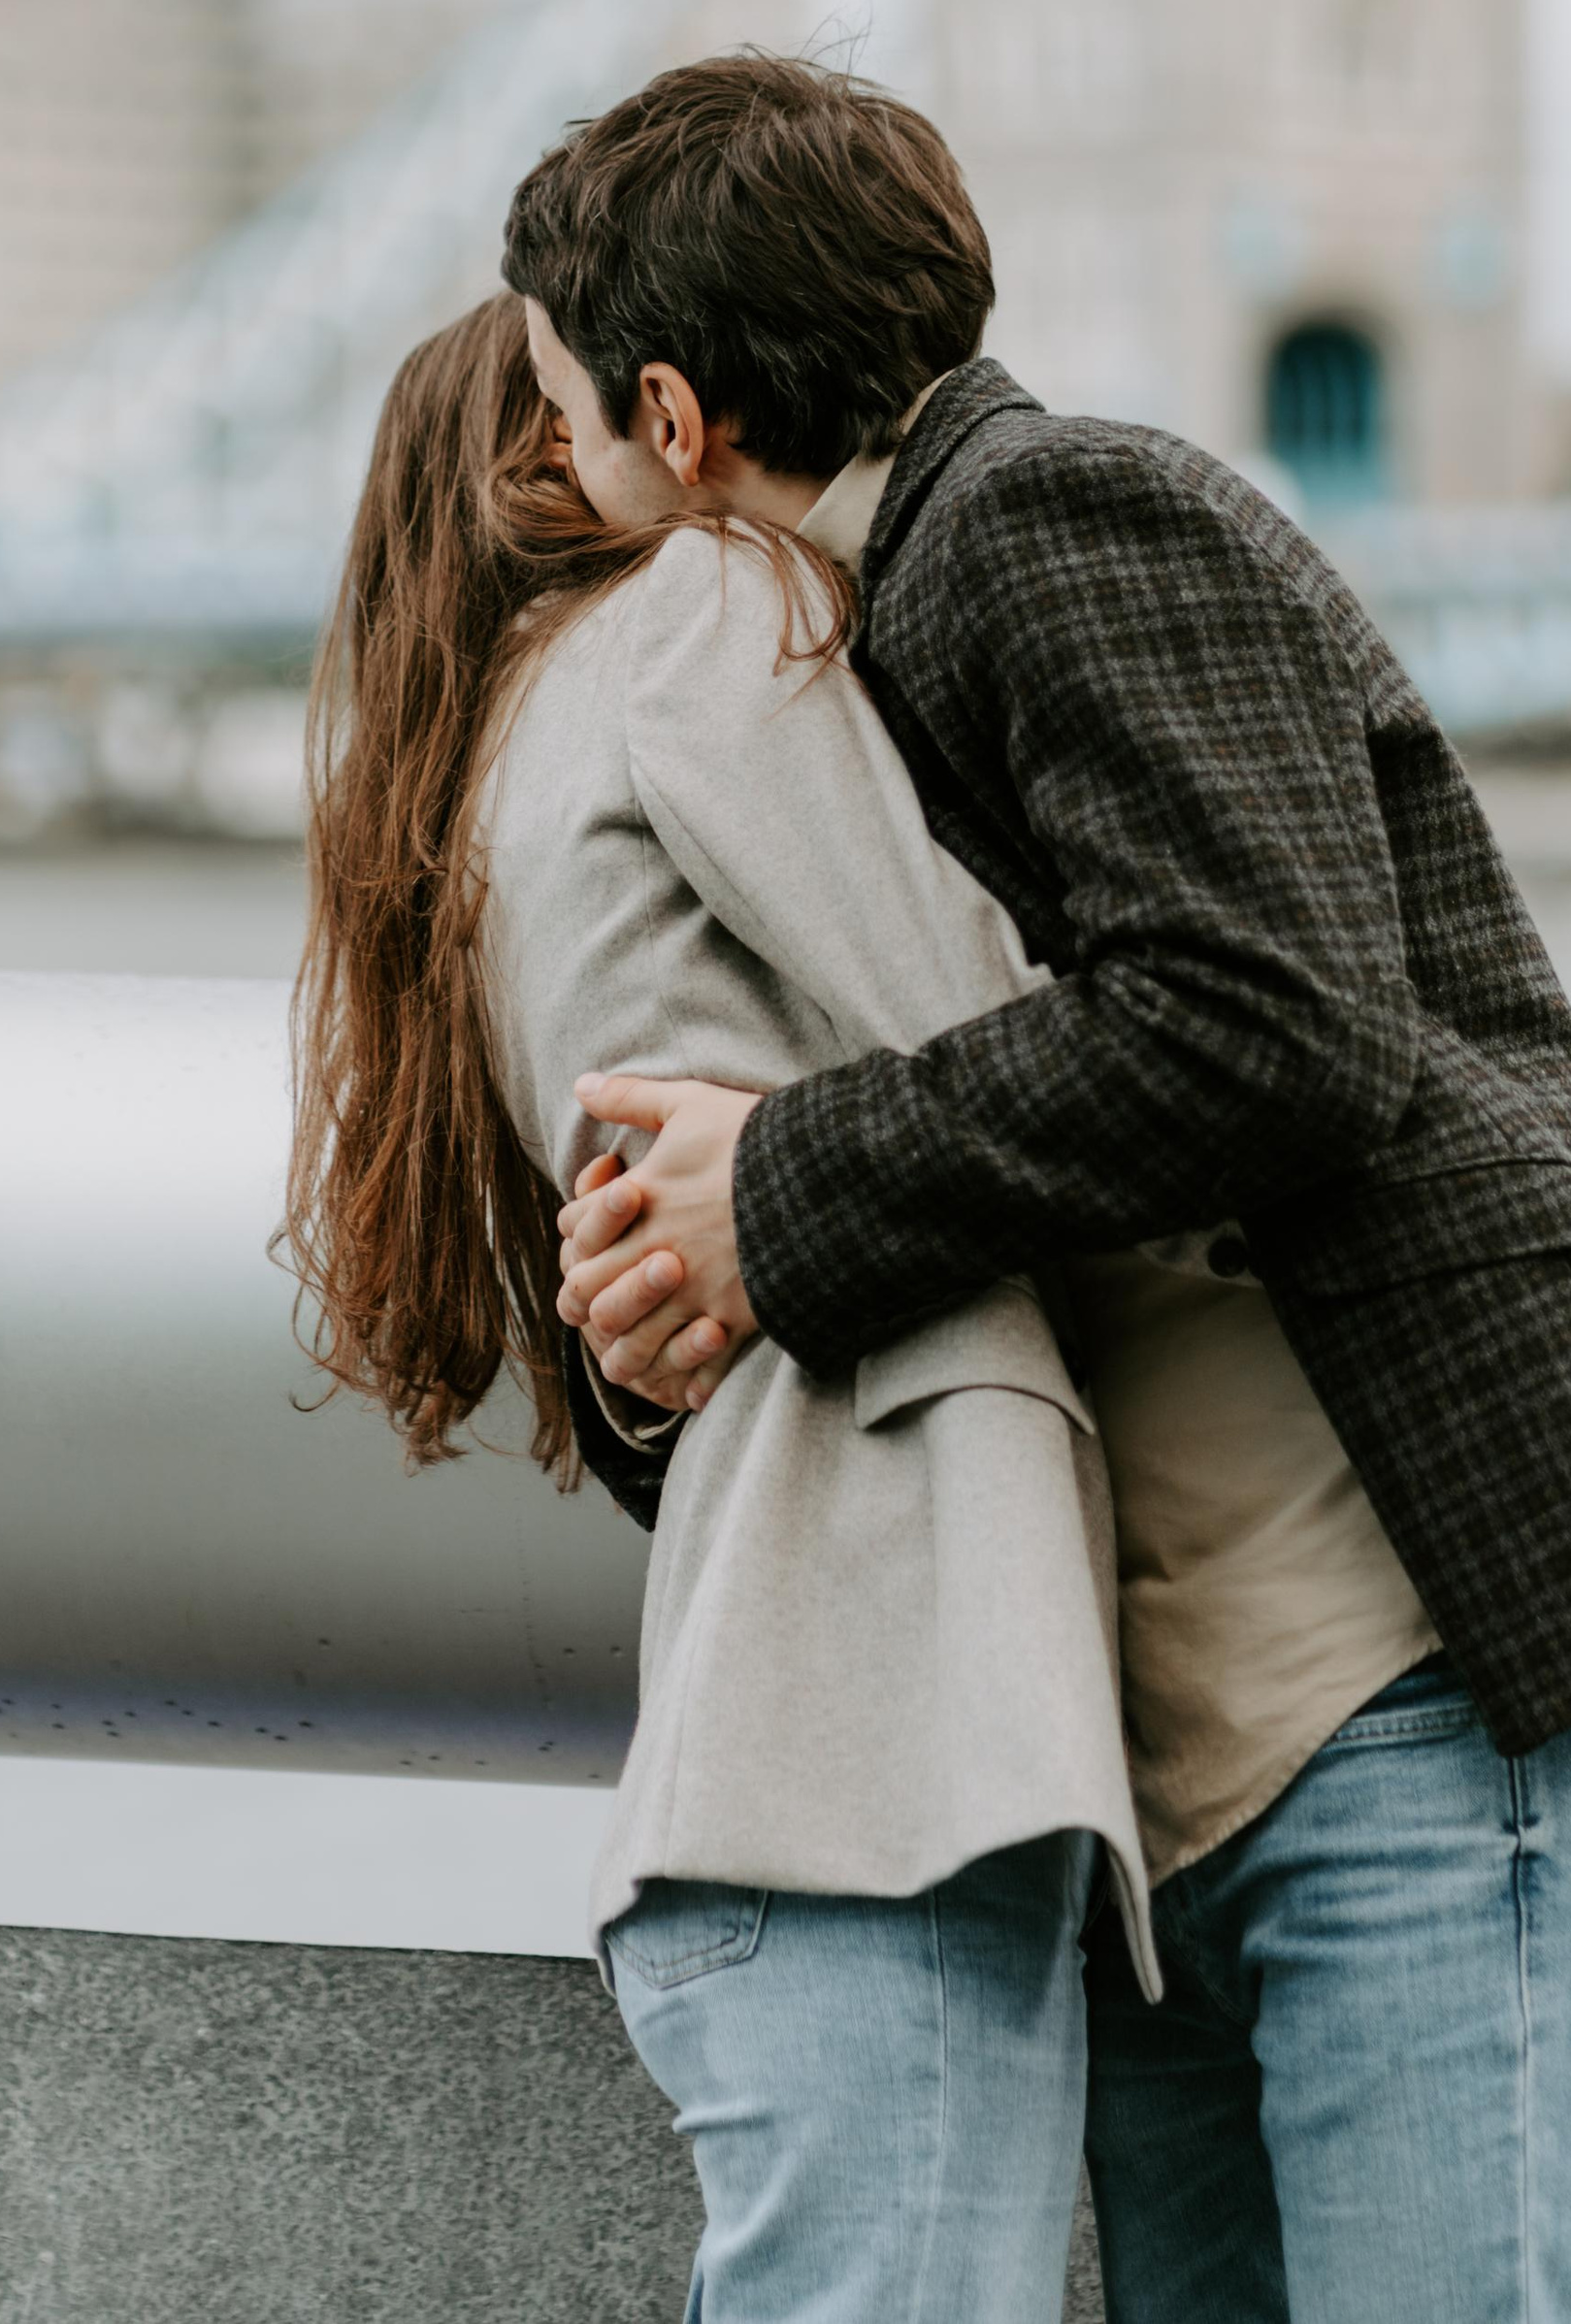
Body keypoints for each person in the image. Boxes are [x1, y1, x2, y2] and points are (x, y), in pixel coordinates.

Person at [517, 51, 1571, 2324]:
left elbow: (1273, 1014)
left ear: (670, 407)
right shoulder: (879, 618)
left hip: (1434, 1695)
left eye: (558, 417)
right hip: (1205, 1766)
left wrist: (793, 1189)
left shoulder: (1054, 515)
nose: (554, 472)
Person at [284, 289, 1154, 2324]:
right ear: (576, 443)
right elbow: (990, 1011)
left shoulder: (486, 753)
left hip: (782, 1722)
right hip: (875, 1713)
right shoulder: (685, 612)